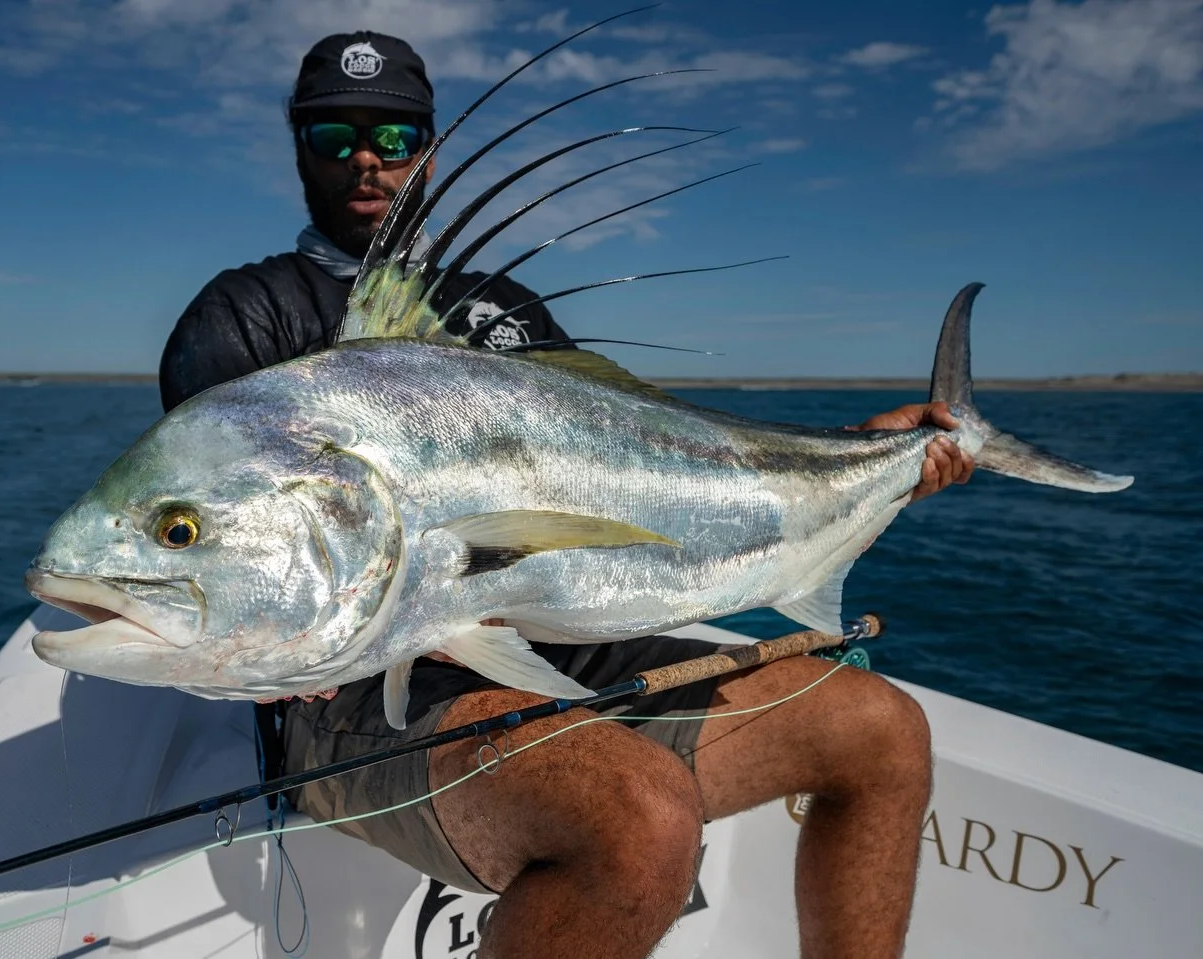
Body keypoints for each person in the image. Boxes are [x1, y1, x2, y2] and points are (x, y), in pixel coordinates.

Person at [158, 30, 973, 959]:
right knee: (638, 815)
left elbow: (647, 464)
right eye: (334, 137)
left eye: (395, 134)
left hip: (554, 642)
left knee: (879, 729)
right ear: (299, 146)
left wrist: (866, 456)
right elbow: (228, 558)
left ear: (429, 147)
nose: (368, 160)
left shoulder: (503, 310)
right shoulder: (244, 317)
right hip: (356, 702)